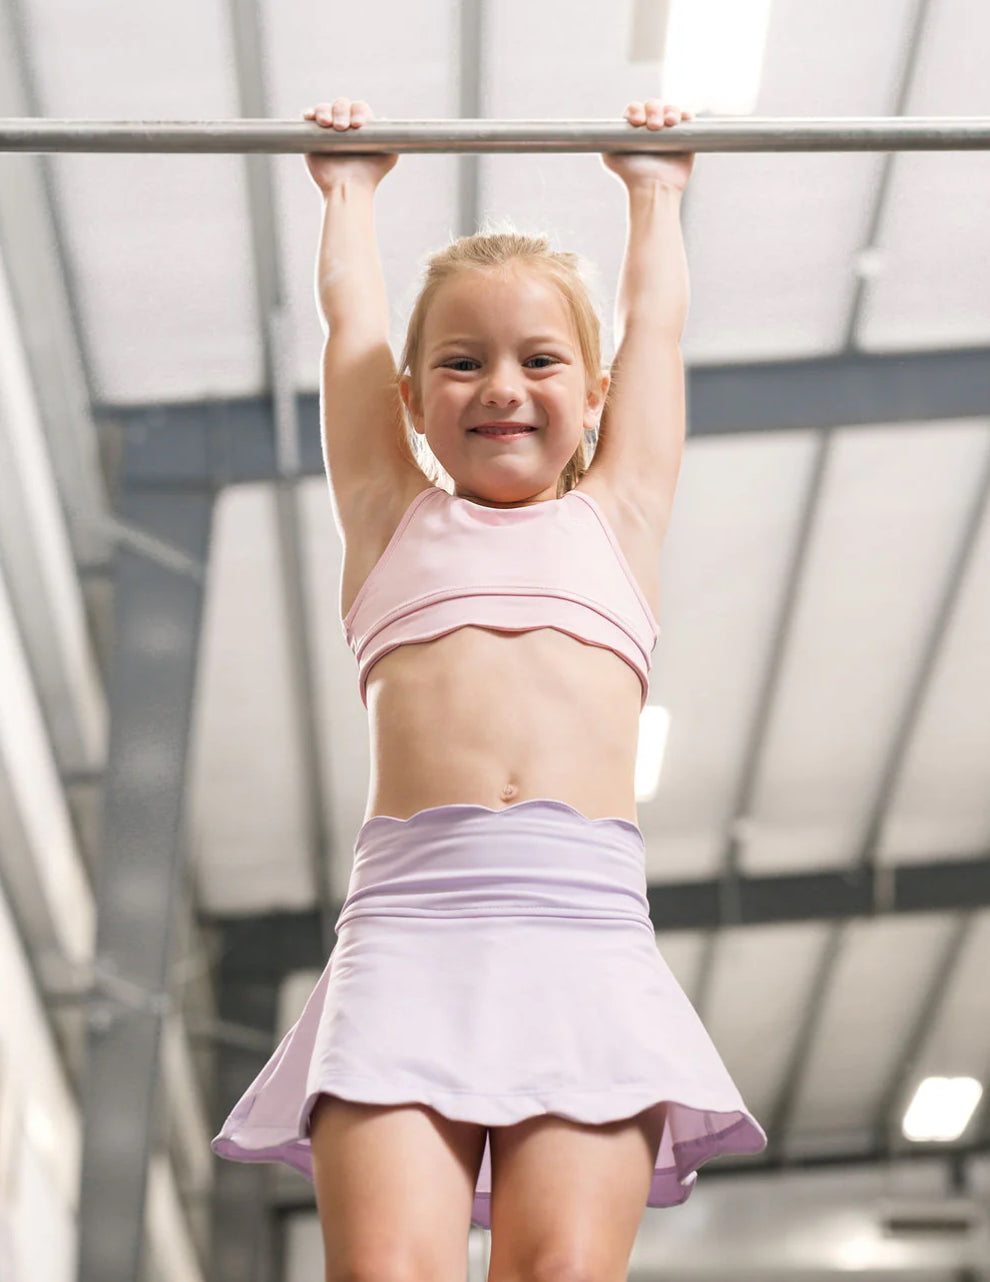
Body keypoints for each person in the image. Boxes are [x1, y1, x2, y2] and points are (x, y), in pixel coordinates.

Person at [212, 96, 767, 1282]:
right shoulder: (388, 517)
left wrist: (655, 191)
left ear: (596, 392)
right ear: (412, 400)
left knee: (557, 1271)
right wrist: (348, 193)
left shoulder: (621, 515)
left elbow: (658, 327)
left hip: (584, 937)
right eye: (461, 363)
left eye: (539, 359)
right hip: (409, 931)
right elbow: (353, 325)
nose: (501, 385)